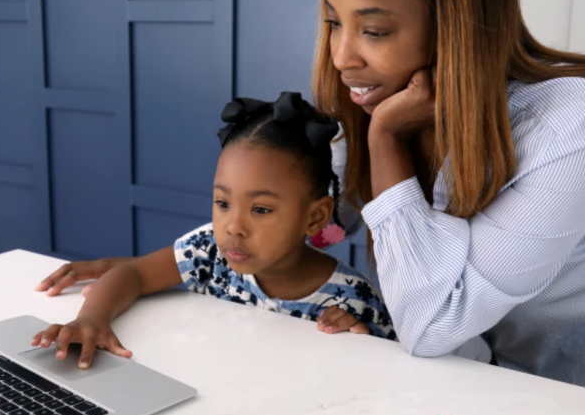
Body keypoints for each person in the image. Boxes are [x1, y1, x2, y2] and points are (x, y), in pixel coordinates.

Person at [310, 0, 585, 397]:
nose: (342, 57)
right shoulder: (384, 98)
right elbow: (280, 214)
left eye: (375, 31)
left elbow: (433, 323)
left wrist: (385, 140)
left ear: (455, 26)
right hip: (494, 368)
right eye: (334, 23)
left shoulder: (576, 126)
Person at [33, 93, 396, 368]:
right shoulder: (210, 252)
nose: (233, 226)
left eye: (260, 209)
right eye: (223, 203)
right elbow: (135, 274)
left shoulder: (353, 300)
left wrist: (354, 340)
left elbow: (386, 378)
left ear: (315, 217)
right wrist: (91, 320)